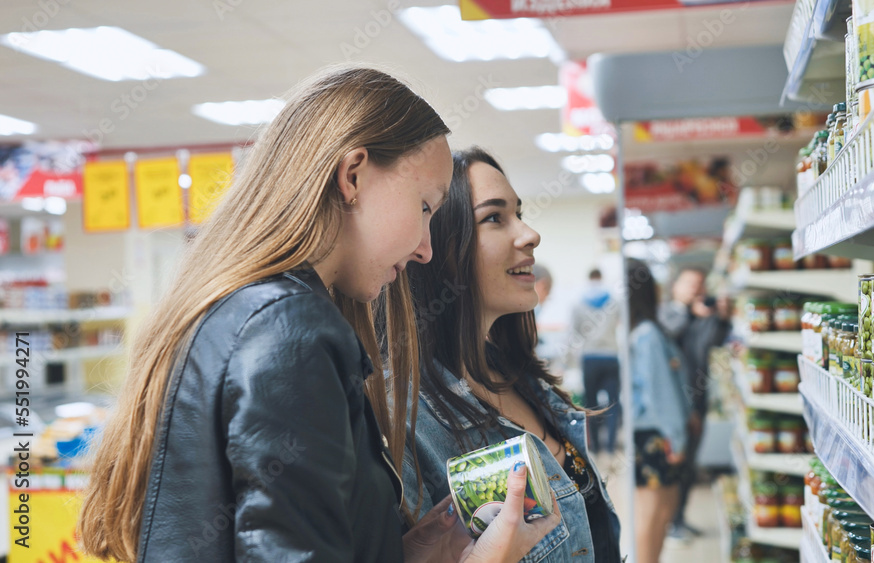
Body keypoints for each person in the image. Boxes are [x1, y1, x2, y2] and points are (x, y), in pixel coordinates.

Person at [77, 67, 558, 563]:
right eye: (423, 209)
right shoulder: (290, 331)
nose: (426, 250)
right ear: (352, 176)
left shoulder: (250, 314)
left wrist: (408, 553)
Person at [403, 147, 622, 562]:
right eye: (494, 218)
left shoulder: (523, 378)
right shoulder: (408, 421)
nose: (529, 234)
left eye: (519, 213)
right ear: (439, 250)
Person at [657, 267, 732, 539]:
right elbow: (669, 334)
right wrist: (691, 313)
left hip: (697, 399)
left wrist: (722, 319)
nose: (694, 289)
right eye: (689, 283)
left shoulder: (703, 315)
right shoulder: (666, 313)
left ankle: (679, 519)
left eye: (699, 284)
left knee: (689, 464)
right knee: (674, 463)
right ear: (675, 285)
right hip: (674, 402)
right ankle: (668, 522)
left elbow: (715, 342)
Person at [629, 259, 689, 563]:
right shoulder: (648, 334)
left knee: (656, 509)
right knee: (654, 511)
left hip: (647, 433)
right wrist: (676, 437)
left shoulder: (638, 330)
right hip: (657, 433)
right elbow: (661, 393)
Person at [566, 268, 621, 456]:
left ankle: (596, 447)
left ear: (589, 278)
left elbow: (573, 334)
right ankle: (611, 447)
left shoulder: (578, 303)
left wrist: (570, 362)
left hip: (590, 358)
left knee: (591, 404)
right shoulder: (614, 301)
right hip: (611, 357)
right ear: (601, 277)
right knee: (613, 402)